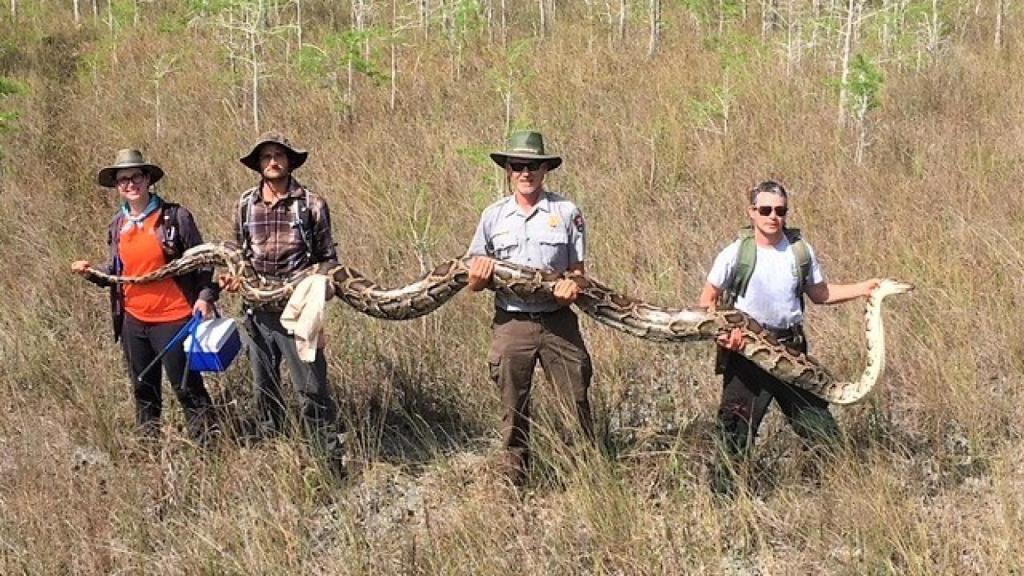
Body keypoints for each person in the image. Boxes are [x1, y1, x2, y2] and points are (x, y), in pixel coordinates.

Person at [698, 180, 879, 494]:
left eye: (780, 211)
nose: (773, 217)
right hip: (747, 355)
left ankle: (837, 492)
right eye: (765, 210)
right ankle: (725, 505)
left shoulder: (799, 251)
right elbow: (707, 300)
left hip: (791, 351)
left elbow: (820, 294)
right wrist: (725, 335)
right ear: (751, 212)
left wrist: (864, 288)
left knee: (821, 428)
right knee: (734, 433)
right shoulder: (735, 253)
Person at [466, 130, 594, 487]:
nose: (526, 172)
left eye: (533, 166)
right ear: (508, 169)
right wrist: (478, 276)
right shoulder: (493, 216)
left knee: (576, 400)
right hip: (512, 322)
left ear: (545, 169)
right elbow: (473, 281)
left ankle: (586, 478)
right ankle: (514, 482)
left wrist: (574, 286)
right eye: (518, 165)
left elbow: (580, 274)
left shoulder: (567, 212)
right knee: (513, 407)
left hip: (558, 322)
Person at [71, 149, 219, 445]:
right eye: (123, 179)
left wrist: (205, 296)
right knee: (143, 388)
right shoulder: (118, 225)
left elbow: (204, 260)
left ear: (148, 179)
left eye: (136, 176)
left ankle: (210, 450)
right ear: (117, 186)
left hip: (175, 318)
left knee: (186, 387)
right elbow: (120, 272)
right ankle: (149, 450)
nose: (130, 184)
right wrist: (92, 273)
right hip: (133, 321)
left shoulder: (175, 217)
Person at [219, 132, 345, 472]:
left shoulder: (311, 204)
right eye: (266, 157)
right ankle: (274, 458)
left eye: (279, 155)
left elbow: (328, 258)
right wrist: (233, 279)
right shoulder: (244, 204)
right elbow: (237, 255)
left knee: (312, 388)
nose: (273, 161)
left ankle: (328, 460)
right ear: (258, 165)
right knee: (264, 389)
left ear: (289, 162)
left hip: (299, 312)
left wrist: (315, 284)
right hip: (257, 313)